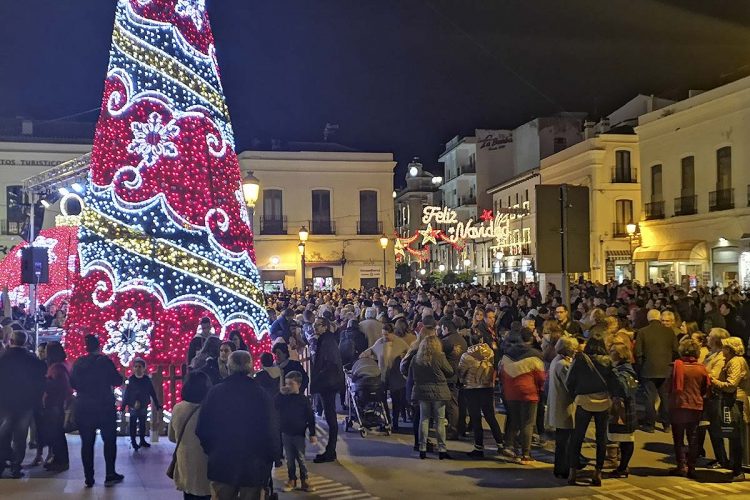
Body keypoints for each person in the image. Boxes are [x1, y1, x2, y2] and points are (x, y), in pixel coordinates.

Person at [196, 350, 281, 499]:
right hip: (254, 464)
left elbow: (203, 427)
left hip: (222, 462)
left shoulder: (215, 393)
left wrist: (212, 450)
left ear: (229, 367)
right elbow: (271, 429)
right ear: (251, 367)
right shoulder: (261, 395)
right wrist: (272, 457)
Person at [70, 334, 125, 488]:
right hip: (104, 406)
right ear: (99, 346)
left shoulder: (79, 363)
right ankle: (109, 473)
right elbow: (117, 380)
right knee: (109, 440)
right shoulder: (105, 362)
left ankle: (89, 477)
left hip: (84, 406)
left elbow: (72, 382)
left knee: (86, 443)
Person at [565, 333, 614, 487]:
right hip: (603, 401)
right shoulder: (608, 361)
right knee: (601, 438)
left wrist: (575, 394)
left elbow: (569, 380)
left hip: (584, 401)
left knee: (577, 436)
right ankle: (597, 471)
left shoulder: (580, 359)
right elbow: (613, 382)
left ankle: (572, 471)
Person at [0, 330, 46, 478]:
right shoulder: (32, 360)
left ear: (11, 341)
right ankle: (15, 467)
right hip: (25, 403)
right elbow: (40, 381)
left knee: (3, 434)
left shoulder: (3, 358)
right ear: (26, 342)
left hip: (4, 403)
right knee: (20, 436)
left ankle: (1, 464)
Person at [498, 329, 546, 465]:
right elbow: (542, 378)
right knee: (528, 423)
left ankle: (509, 446)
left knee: (513, 419)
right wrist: (541, 391)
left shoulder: (506, 356)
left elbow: (501, 374)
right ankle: (526, 454)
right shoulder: (535, 357)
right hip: (529, 394)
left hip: (510, 393)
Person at [710, 337, 750, 482]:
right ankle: (735, 467)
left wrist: (714, 382)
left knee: (736, 436)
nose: (722, 350)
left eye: (725, 348)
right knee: (733, 435)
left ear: (731, 349)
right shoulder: (732, 361)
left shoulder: (736, 362)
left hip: (736, 402)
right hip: (733, 401)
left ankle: (738, 470)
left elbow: (732, 384)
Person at [668, 339, 709, 478]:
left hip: (678, 405)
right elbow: (705, 388)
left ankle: (681, 466)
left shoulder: (676, 367)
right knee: (693, 438)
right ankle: (692, 467)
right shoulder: (701, 369)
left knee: (678, 438)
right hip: (695, 406)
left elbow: (669, 387)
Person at [169, 372, 212, 500]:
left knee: (188, 493)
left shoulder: (178, 408)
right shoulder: (209, 409)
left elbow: (172, 437)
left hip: (185, 460)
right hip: (205, 462)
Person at [635, 309, 679, 433]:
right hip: (666, 368)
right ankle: (666, 424)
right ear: (659, 318)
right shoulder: (669, 332)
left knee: (650, 396)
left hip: (648, 368)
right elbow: (675, 350)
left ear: (648, 319)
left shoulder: (642, 332)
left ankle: (650, 424)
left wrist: (640, 366)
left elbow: (638, 352)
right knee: (664, 396)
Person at [360, 323, 409, 431]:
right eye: (383, 334)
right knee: (382, 399)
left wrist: (404, 358)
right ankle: (387, 420)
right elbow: (372, 349)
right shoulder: (380, 342)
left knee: (396, 401)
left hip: (396, 376)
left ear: (392, 333)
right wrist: (364, 354)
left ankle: (395, 422)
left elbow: (409, 352)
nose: (384, 337)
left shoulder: (400, 343)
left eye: (386, 334)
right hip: (383, 375)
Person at [458, 342, 503, 458]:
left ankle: (479, 447)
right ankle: (501, 444)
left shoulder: (466, 356)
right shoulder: (490, 353)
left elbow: (461, 373)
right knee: (490, 417)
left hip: (471, 389)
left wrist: (462, 381)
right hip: (487, 387)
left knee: (476, 418)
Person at [411, 335, 454, 459]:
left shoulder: (416, 358)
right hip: (439, 392)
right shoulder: (439, 357)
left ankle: (422, 448)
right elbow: (450, 371)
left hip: (422, 392)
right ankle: (442, 449)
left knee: (424, 420)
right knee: (439, 421)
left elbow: (413, 375)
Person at [309, 317, 345, 463]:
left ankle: (331, 451)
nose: (314, 328)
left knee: (331, 417)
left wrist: (320, 377)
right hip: (329, 382)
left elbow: (329, 363)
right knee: (330, 417)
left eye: (317, 325)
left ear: (325, 326)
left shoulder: (327, 341)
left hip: (328, 384)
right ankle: (330, 450)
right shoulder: (326, 339)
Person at [275, 371, 317, 493]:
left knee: (301, 458)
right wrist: (280, 393)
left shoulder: (303, 400)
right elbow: (274, 404)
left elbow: (310, 417)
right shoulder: (282, 398)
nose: (288, 386)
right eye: (286, 384)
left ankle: (305, 480)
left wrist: (312, 433)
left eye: (291, 384)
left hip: (299, 433)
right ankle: (291, 479)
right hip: (286, 432)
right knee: (289, 458)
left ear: (298, 384)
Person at [546, 336, 578, 478]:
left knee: (562, 441)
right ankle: (562, 469)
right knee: (564, 442)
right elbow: (569, 385)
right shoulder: (563, 364)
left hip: (558, 405)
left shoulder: (556, 360)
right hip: (564, 407)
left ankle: (560, 468)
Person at [698, 328, 730, 469]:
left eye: (710, 336)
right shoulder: (712, 354)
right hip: (708, 396)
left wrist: (702, 372)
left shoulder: (720, 357)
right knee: (708, 428)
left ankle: (722, 459)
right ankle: (718, 457)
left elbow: (714, 375)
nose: (707, 338)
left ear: (717, 340)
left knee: (715, 429)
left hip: (715, 397)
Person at [607, 342, 638, 479]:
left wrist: (611, 373)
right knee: (624, 438)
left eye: (612, 350)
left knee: (626, 438)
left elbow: (622, 388)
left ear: (618, 354)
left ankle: (623, 467)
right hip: (624, 407)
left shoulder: (624, 370)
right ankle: (621, 465)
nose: (610, 352)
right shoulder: (622, 367)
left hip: (623, 408)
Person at [42, 341, 72, 472]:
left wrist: (45, 383)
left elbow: (61, 386)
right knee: (56, 434)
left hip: (55, 404)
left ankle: (61, 460)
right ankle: (57, 458)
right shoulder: (62, 365)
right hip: (57, 404)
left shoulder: (56, 368)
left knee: (57, 434)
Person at [121, 358, 162, 451]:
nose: (137, 368)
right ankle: (133, 441)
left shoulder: (146, 379)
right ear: (133, 368)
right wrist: (124, 405)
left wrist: (156, 403)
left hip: (143, 405)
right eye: (135, 367)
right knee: (133, 424)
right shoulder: (131, 379)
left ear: (144, 368)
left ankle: (142, 440)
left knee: (143, 423)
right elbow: (127, 393)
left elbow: (152, 392)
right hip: (133, 406)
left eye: (140, 367)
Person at [439, 318, 468, 439]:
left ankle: (453, 429)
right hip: (459, 375)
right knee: (458, 403)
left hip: (449, 376)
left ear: (446, 328)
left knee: (451, 404)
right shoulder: (462, 340)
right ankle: (460, 427)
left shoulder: (446, 341)